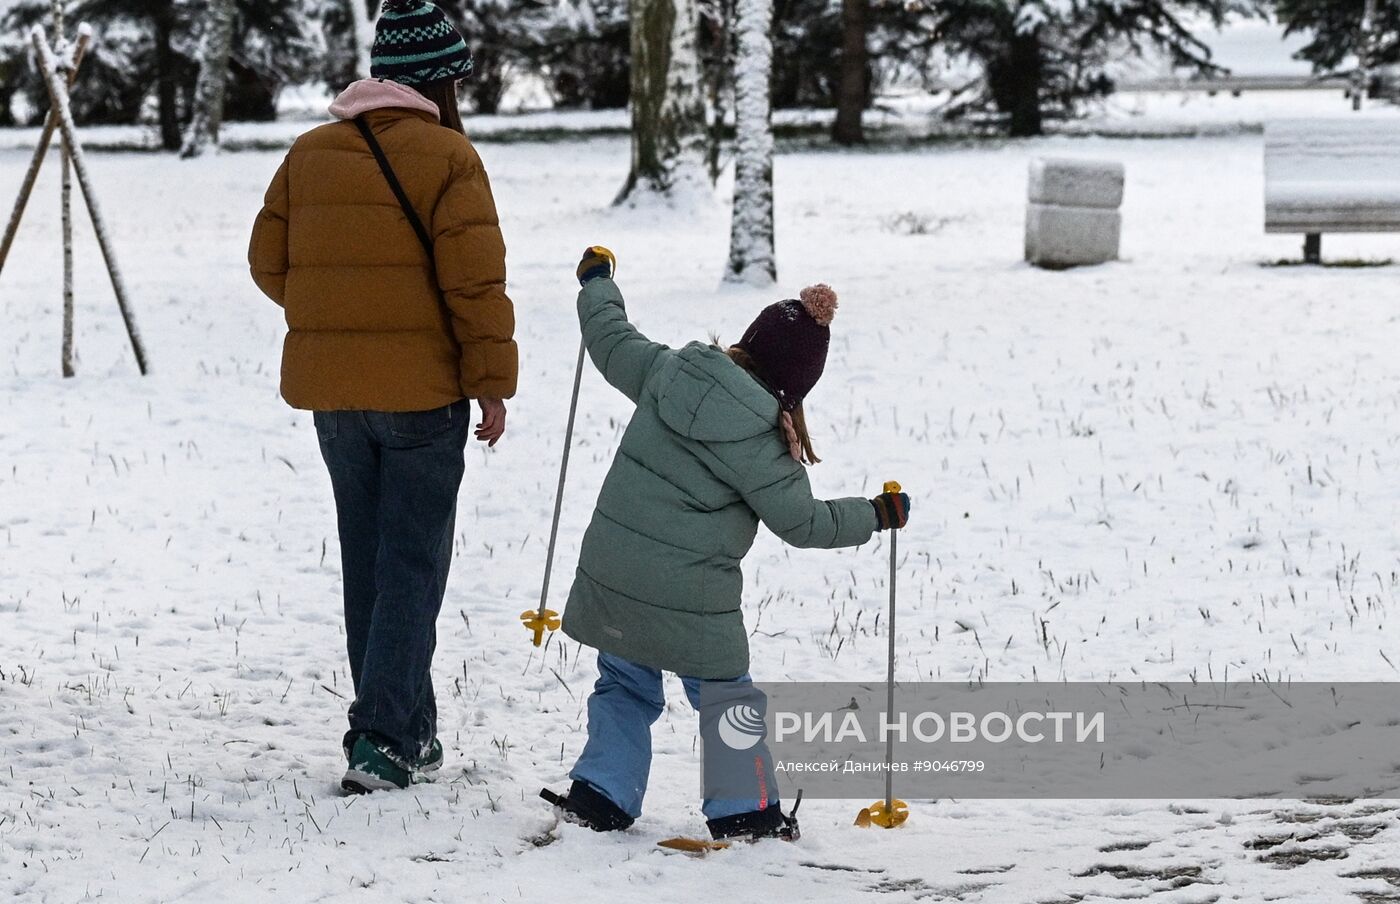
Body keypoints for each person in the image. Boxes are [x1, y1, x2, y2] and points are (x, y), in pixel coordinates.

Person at [540, 248, 911, 841]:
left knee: (623, 684)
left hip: (617, 574)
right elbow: (806, 524)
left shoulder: (667, 370)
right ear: (797, 387)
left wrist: (597, 283)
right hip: (694, 597)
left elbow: (609, 339)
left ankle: (602, 795)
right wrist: (875, 514)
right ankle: (743, 811)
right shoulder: (767, 445)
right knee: (725, 698)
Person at [247, 0, 517, 793]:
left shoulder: (309, 152)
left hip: (336, 401)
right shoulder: (450, 158)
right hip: (423, 399)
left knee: (370, 562)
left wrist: (339, 315)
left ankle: (408, 730)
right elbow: (475, 285)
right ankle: (384, 738)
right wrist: (491, 383)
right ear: (440, 81)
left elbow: (269, 263)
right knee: (412, 564)